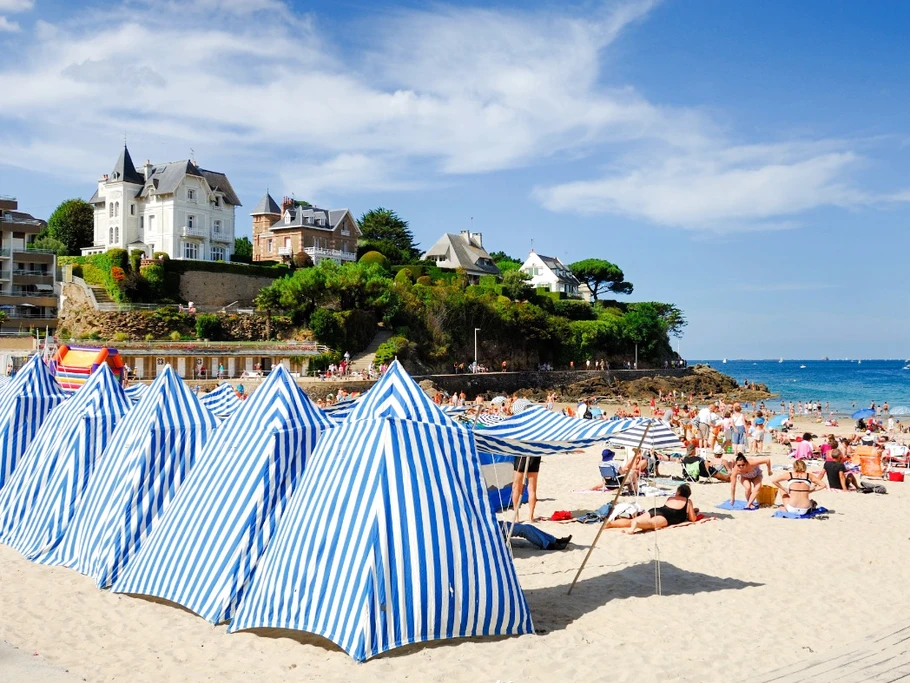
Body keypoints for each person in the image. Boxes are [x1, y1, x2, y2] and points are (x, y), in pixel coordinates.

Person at [607, 484, 697, 534]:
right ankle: (637, 524)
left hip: (658, 510)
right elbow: (693, 519)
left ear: (678, 492)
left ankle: (609, 524)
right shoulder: (688, 502)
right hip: (667, 517)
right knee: (650, 524)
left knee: (632, 520)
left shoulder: (671, 498)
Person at [511, 456, 541, 522]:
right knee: (532, 489)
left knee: (516, 488)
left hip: (521, 455)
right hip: (534, 455)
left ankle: (516, 517)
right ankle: (531, 517)